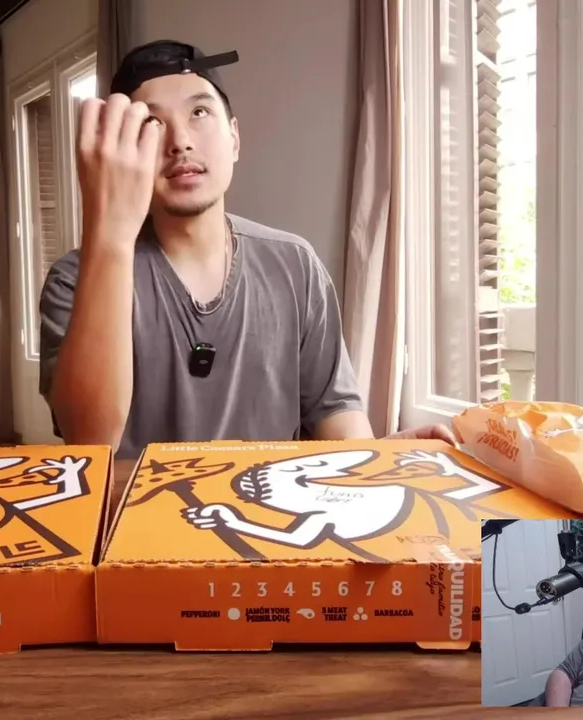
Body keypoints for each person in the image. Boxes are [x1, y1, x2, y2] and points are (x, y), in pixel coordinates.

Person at [38, 39, 454, 457]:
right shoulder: (74, 280)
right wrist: (109, 232)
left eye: (199, 112)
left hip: (271, 500)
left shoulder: (295, 267)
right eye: (153, 123)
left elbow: (334, 413)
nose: (180, 141)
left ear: (234, 138)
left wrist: (380, 458)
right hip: (134, 502)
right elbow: (88, 442)